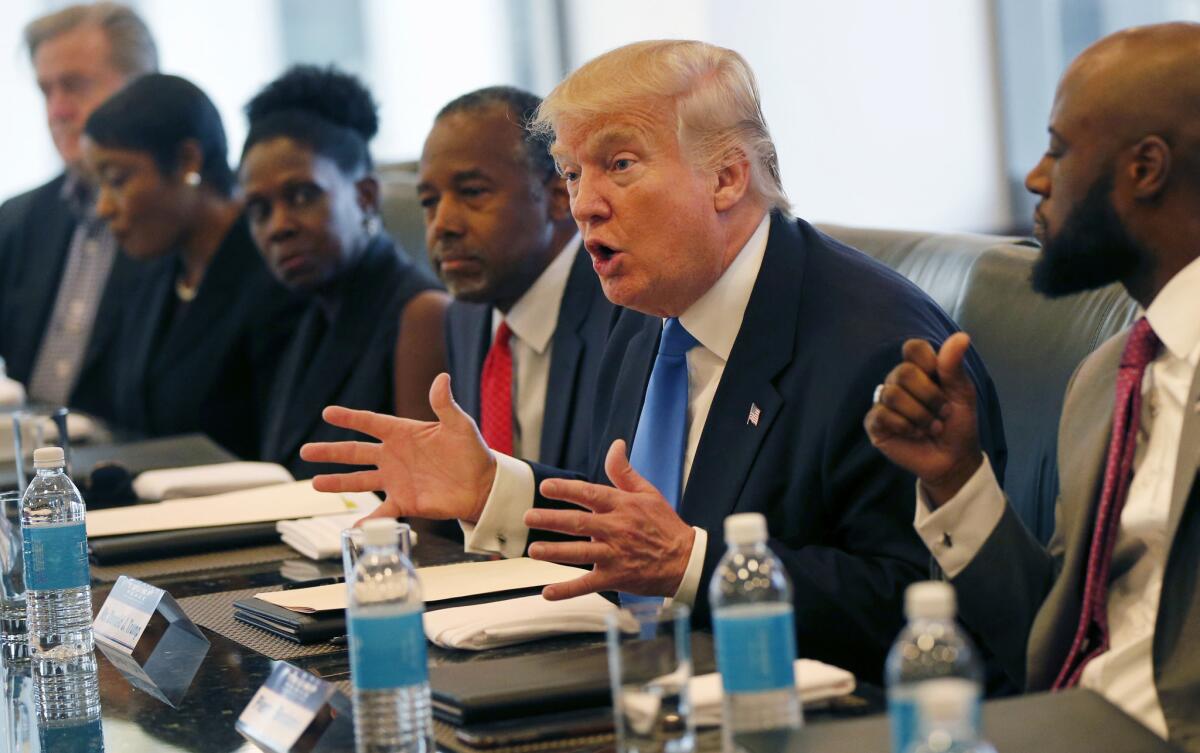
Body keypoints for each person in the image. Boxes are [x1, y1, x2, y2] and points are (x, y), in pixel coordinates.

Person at [303, 40, 1006, 681]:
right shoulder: (649, 314)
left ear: (727, 177)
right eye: (573, 174)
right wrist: (493, 486)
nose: (584, 206)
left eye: (619, 165)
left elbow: (932, 611)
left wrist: (693, 565)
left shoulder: (875, 349)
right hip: (650, 686)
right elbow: (631, 532)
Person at [863, 23, 1200, 748]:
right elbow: (1051, 644)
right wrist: (957, 477)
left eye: (1059, 148)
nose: (1037, 178)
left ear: (1145, 168)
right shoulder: (1110, 374)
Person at [240, 65, 447, 479]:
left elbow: (429, 516)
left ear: (366, 196)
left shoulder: (422, 314)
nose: (279, 226)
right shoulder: (311, 312)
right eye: (259, 210)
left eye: (302, 195)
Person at [82, 73, 301, 459]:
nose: (103, 208)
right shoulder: (155, 271)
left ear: (188, 160)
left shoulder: (277, 273)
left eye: (117, 180)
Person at [419, 86, 614, 473]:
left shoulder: (621, 309)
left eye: (472, 192)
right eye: (429, 201)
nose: (442, 225)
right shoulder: (464, 315)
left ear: (560, 197)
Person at [0, 3, 157, 411]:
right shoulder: (17, 220)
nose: (57, 111)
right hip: (30, 459)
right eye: (46, 91)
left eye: (75, 86)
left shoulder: (177, 219)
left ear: (141, 89)